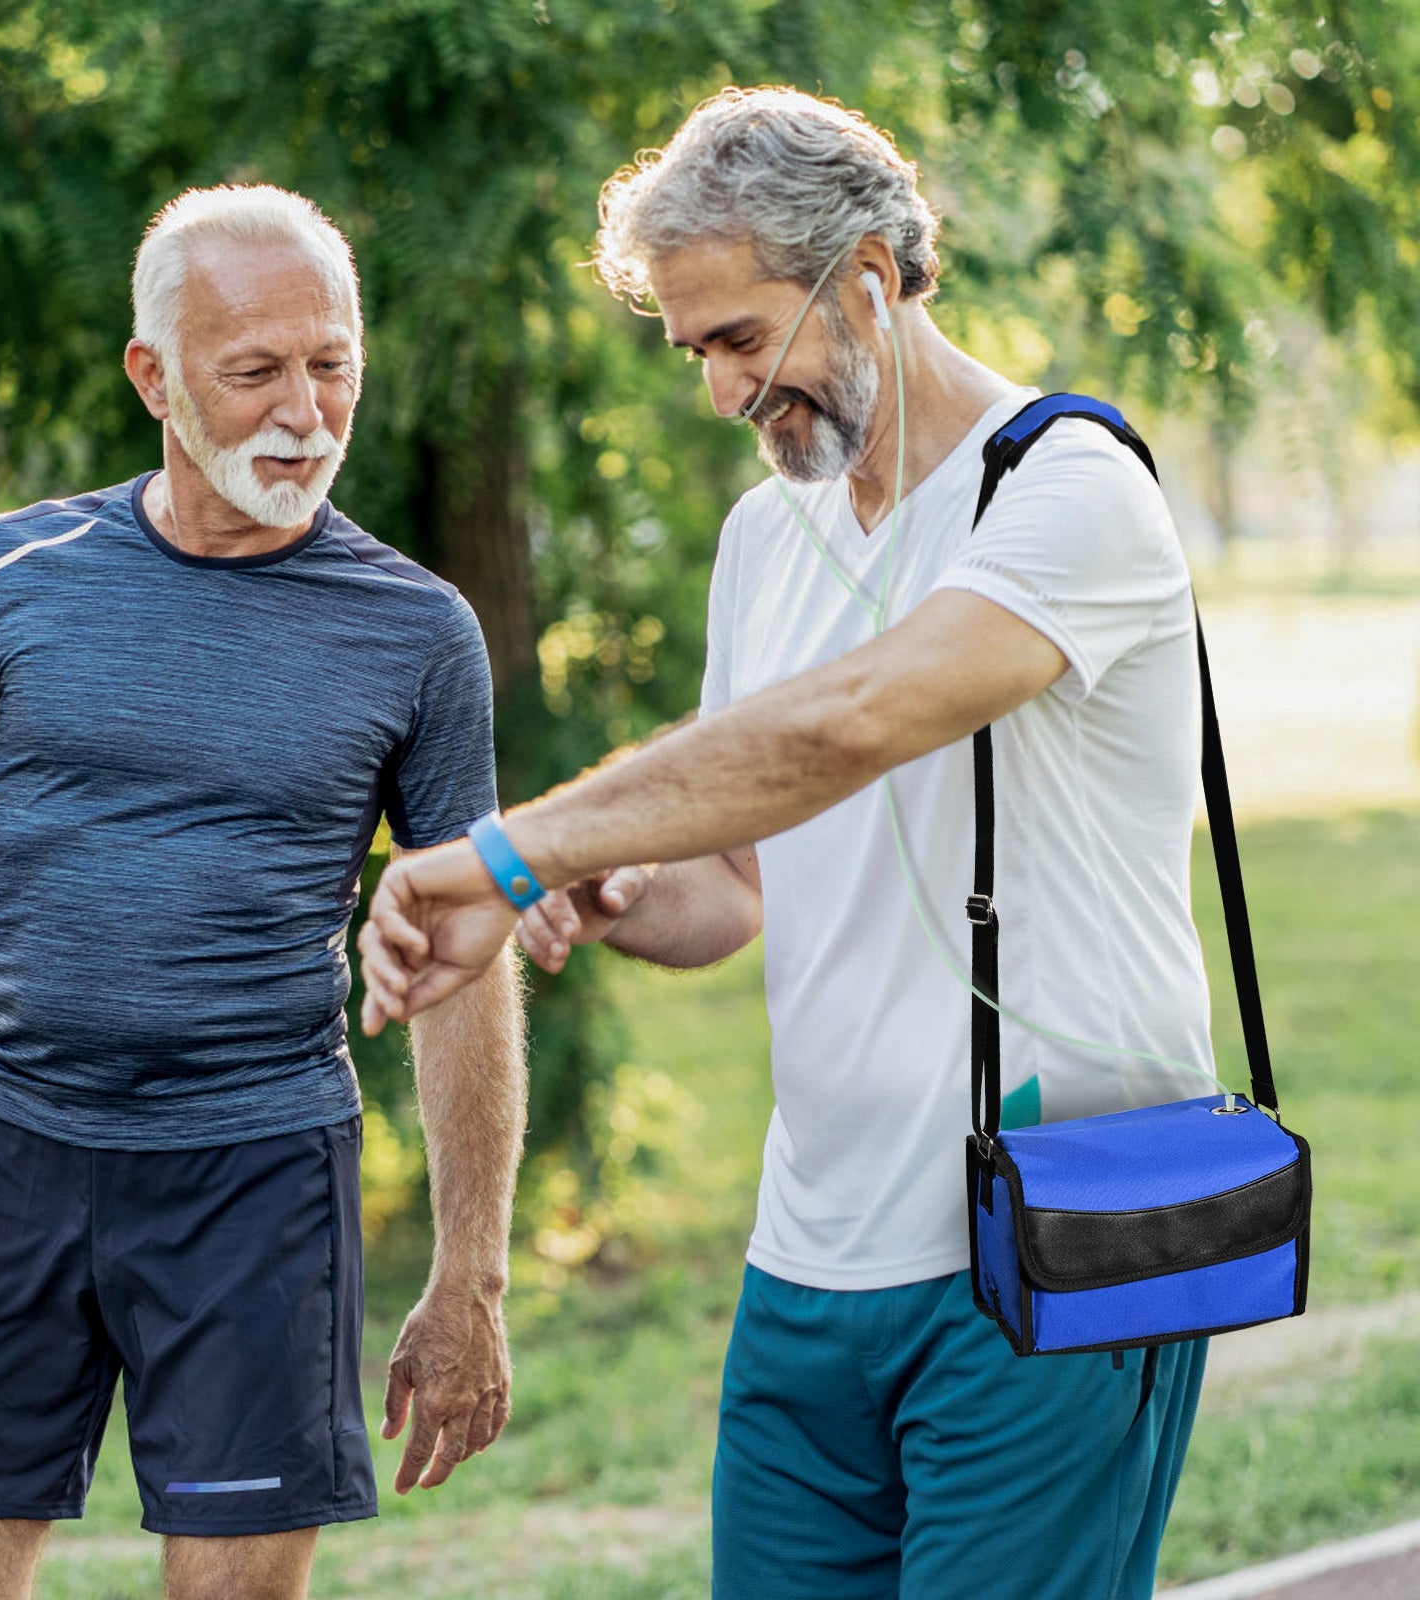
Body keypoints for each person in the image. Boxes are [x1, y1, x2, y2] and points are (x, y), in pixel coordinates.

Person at [357, 88, 1214, 1600]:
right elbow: (746, 879)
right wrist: (619, 883)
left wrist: (511, 850)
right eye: (694, 353)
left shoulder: (1071, 492)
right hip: (812, 1261)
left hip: (1049, 1239)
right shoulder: (769, 537)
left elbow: (854, 723)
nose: (723, 392)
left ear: (871, 278)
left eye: (744, 341)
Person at [0, 184, 526, 1600]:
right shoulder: (21, 569)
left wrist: (473, 1276)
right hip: (11, 1154)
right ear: (154, 375)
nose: (306, 411)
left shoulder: (417, 632)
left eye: (333, 365)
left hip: (258, 1186)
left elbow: (462, 950)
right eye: (255, 370)